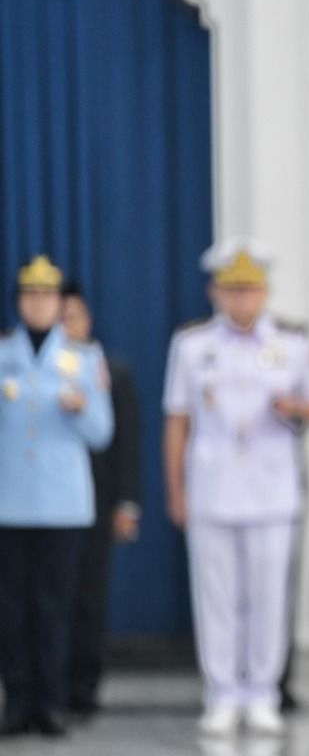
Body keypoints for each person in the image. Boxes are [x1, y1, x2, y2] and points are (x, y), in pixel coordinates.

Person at [162, 242, 309, 737]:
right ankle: (222, 692)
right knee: (216, 597)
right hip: (212, 486)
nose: (242, 301)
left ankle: (262, 693)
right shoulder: (192, 346)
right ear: (215, 292)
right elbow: (177, 419)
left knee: (268, 597)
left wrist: (295, 410)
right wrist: (176, 490)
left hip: (272, 489)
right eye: (232, 290)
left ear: (264, 292)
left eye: (250, 290)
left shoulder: (292, 344)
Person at [0, 256, 113, 738]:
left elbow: (102, 433)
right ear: (19, 303)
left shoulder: (84, 356)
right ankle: (17, 703)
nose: (38, 304)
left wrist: (82, 407)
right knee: (10, 610)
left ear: (59, 303)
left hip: (63, 505)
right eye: (29, 296)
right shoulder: (3, 352)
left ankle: (51, 702)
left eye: (46, 296)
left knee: (54, 608)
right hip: (9, 503)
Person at [59, 281, 142, 714]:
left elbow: (126, 441)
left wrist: (127, 502)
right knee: (46, 597)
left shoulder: (108, 370)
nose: (66, 325)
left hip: (97, 499)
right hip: (46, 502)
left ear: (87, 320)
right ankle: (45, 687)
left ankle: (84, 686)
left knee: (90, 597)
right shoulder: (28, 371)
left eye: (73, 317)